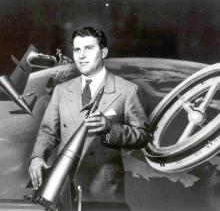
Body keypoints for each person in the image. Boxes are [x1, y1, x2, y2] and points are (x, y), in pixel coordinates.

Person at [29, 26, 149, 210]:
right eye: (77, 49)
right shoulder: (61, 91)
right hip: (64, 188)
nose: (81, 55)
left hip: (104, 194)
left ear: (103, 52)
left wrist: (110, 127)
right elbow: (48, 131)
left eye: (89, 48)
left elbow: (141, 136)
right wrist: (37, 156)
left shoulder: (128, 90)